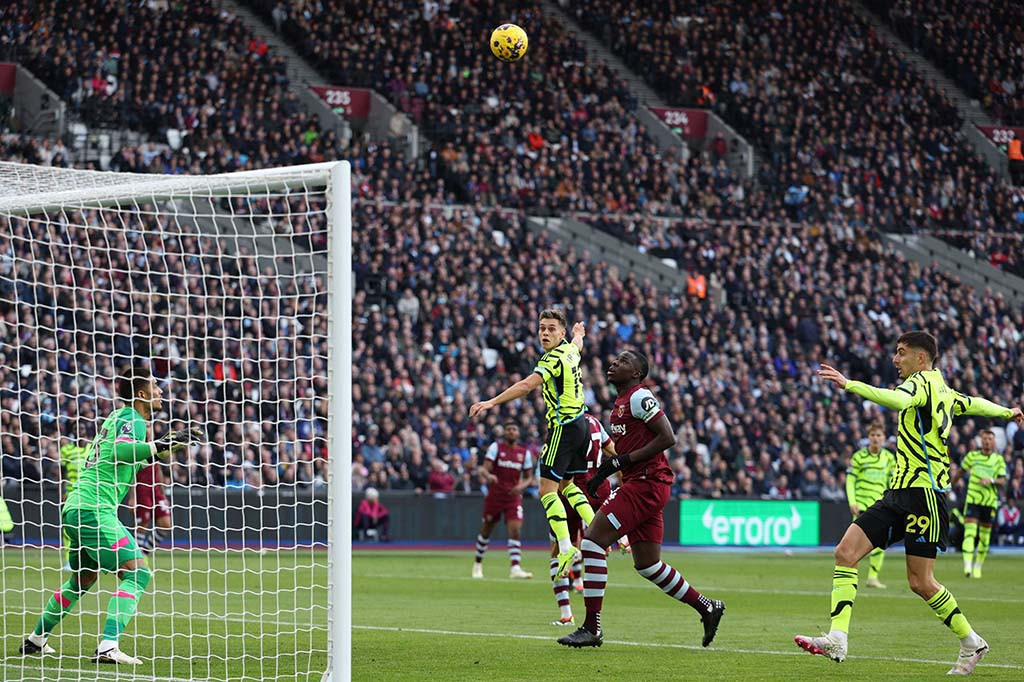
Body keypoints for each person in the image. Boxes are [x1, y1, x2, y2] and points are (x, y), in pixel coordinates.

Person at [796, 331, 1023, 674]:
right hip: (899, 493)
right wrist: (1006, 411)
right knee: (845, 552)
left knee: (921, 582)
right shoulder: (944, 390)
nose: (895, 359)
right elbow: (974, 403)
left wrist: (850, 384)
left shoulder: (920, 384)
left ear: (920, 358)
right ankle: (838, 638)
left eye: (901, 352)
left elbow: (898, 401)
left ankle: (972, 642)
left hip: (924, 495)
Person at [19, 366, 200, 664]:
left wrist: (165, 447)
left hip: (77, 508)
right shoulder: (132, 418)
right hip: (94, 510)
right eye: (155, 386)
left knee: (81, 581)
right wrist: (160, 444)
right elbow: (120, 452)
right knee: (137, 574)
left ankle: (36, 639)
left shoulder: (117, 418)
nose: (161, 391)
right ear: (141, 394)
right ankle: (107, 647)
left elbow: (129, 461)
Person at [557, 350, 726, 648]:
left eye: (623, 361)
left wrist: (622, 462)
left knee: (592, 542)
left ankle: (592, 627)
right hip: (645, 483)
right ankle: (707, 607)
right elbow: (627, 450)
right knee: (648, 564)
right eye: (615, 360)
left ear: (636, 373)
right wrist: (605, 471)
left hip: (647, 483)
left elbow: (668, 437)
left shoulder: (639, 397)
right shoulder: (621, 402)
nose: (614, 363)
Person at [470, 309, 595, 579]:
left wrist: (491, 402)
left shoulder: (552, 359)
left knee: (546, 491)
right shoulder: (571, 350)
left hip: (563, 427)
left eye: (551, 329)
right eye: (542, 328)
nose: (545, 333)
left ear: (560, 333)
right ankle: (598, 529)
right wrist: (578, 334)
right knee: (568, 486)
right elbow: (578, 344)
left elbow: (527, 386)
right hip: (581, 425)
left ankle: (566, 548)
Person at [550, 412, 620, 626]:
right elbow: (615, 452)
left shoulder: (563, 423)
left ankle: (566, 614)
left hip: (569, 490)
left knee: (559, 549)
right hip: (598, 487)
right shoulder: (595, 423)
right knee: (591, 543)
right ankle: (619, 538)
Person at [471, 422, 535, 579]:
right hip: (495, 496)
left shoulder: (524, 453)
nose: (511, 432)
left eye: (514, 429)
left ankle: (515, 568)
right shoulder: (496, 448)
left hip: (513, 497)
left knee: (515, 530)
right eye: (508, 429)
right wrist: (489, 476)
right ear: (504, 433)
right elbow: (484, 469)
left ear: (518, 433)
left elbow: (529, 477)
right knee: (486, 530)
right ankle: (477, 564)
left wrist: (521, 486)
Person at [844, 423, 896, 588]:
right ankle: (849, 575)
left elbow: (893, 482)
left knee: (880, 543)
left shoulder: (889, 458)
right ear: (868, 437)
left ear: (884, 438)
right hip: (861, 505)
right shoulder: (858, 457)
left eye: (879, 435)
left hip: (880, 506)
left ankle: (873, 578)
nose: (875, 438)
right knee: (855, 545)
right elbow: (850, 480)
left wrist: (893, 502)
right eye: (872, 435)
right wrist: (852, 501)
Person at [950, 429, 1006, 579]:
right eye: (985, 439)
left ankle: (978, 566)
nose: (987, 441)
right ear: (981, 441)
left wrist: (991, 480)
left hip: (989, 502)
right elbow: (960, 472)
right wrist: (950, 486)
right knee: (970, 532)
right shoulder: (972, 456)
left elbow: (1002, 480)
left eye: (990, 439)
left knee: (984, 537)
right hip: (973, 500)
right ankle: (967, 566)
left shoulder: (998, 460)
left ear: (993, 442)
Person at [134, 460, 173, 554]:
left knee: (166, 525)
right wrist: (132, 497)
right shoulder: (136, 452)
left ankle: (144, 553)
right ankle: (137, 556)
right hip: (142, 490)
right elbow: (132, 473)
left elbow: (158, 469)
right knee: (143, 525)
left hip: (156, 490)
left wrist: (163, 495)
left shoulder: (154, 452)